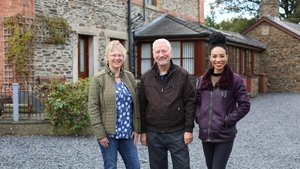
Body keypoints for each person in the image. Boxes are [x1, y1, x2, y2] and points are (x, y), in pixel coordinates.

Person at [195, 32, 251, 169]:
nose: (218, 60)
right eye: (214, 56)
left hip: (224, 135)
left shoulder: (235, 80)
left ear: (227, 57)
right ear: (210, 58)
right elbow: (196, 102)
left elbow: (244, 105)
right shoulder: (202, 80)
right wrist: (199, 118)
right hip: (206, 135)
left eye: (221, 56)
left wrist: (227, 121)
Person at [139, 38, 196, 169]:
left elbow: (190, 103)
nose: (161, 55)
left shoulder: (183, 75)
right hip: (154, 133)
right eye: (157, 52)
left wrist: (188, 129)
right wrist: (143, 131)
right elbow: (142, 106)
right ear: (153, 54)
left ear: (170, 53)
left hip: (177, 132)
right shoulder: (146, 77)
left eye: (164, 51)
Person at [88, 40, 141, 169]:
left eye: (120, 55)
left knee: (135, 166)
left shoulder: (129, 77)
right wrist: (100, 134)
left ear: (124, 58)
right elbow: (93, 107)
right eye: (113, 55)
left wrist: (137, 128)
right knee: (110, 166)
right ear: (107, 58)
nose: (117, 58)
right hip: (108, 135)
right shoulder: (98, 79)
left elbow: (136, 104)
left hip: (127, 134)